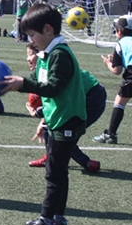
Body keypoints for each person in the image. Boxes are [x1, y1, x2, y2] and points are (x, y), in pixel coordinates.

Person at [1, 4, 87, 225]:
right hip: (58, 120)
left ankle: (46, 222)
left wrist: (23, 85)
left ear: (48, 30)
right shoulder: (47, 55)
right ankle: (58, 218)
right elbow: (41, 82)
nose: (31, 40)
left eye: (32, 35)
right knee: (59, 172)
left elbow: (54, 88)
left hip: (68, 121)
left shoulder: (60, 55)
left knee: (54, 174)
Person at [24, 42, 103, 172]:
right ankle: (51, 157)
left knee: (65, 134)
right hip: (79, 98)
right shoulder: (43, 68)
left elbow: (61, 99)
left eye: (31, 54)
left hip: (92, 96)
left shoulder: (56, 61)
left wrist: (39, 114)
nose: (28, 59)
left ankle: (85, 162)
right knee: (55, 130)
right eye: (27, 55)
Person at [93, 16, 132, 144]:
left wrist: (108, 63)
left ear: (119, 31)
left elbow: (117, 70)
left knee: (119, 103)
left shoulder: (121, 43)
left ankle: (111, 134)